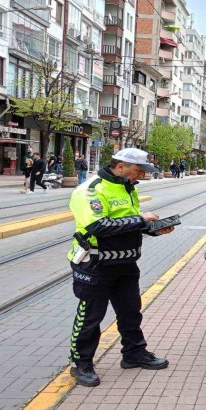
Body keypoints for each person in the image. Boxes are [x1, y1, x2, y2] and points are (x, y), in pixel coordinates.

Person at [67, 148, 171, 386]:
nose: (141, 176)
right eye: (138, 170)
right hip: (94, 264)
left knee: (130, 311)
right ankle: (81, 363)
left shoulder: (128, 187)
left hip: (125, 263)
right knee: (90, 316)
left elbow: (126, 223)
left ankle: (133, 353)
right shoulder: (90, 190)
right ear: (121, 166)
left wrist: (152, 229)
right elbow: (98, 226)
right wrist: (142, 220)